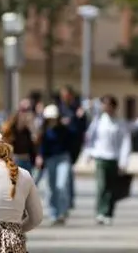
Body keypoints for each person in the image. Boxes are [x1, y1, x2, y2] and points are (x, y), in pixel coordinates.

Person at [85, 95, 131, 225]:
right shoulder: (98, 121)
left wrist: (124, 161)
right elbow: (90, 137)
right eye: (105, 105)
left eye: (109, 105)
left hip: (114, 158)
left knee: (111, 188)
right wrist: (89, 153)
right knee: (101, 186)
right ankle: (100, 212)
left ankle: (108, 213)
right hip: (101, 158)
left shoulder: (119, 123)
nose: (107, 108)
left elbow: (125, 143)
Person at [37, 104, 74, 225]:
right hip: (50, 159)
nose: (52, 121)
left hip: (63, 158)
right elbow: (41, 146)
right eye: (50, 119)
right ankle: (54, 213)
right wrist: (40, 157)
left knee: (61, 185)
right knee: (51, 187)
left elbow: (74, 139)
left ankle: (62, 212)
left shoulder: (65, 129)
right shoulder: (44, 130)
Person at [58, 86, 88, 210]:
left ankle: (69, 200)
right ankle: (67, 200)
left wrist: (77, 118)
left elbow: (82, 128)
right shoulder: (60, 109)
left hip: (73, 145)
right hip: (61, 145)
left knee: (67, 174)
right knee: (65, 175)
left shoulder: (77, 109)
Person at [2, 99, 39, 175]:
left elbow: (36, 141)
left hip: (28, 159)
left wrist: (31, 127)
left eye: (29, 109)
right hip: (15, 159)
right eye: (24, 110)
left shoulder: (30, 125)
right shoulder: (12, 124)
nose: (26, 113)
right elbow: (5, 138)